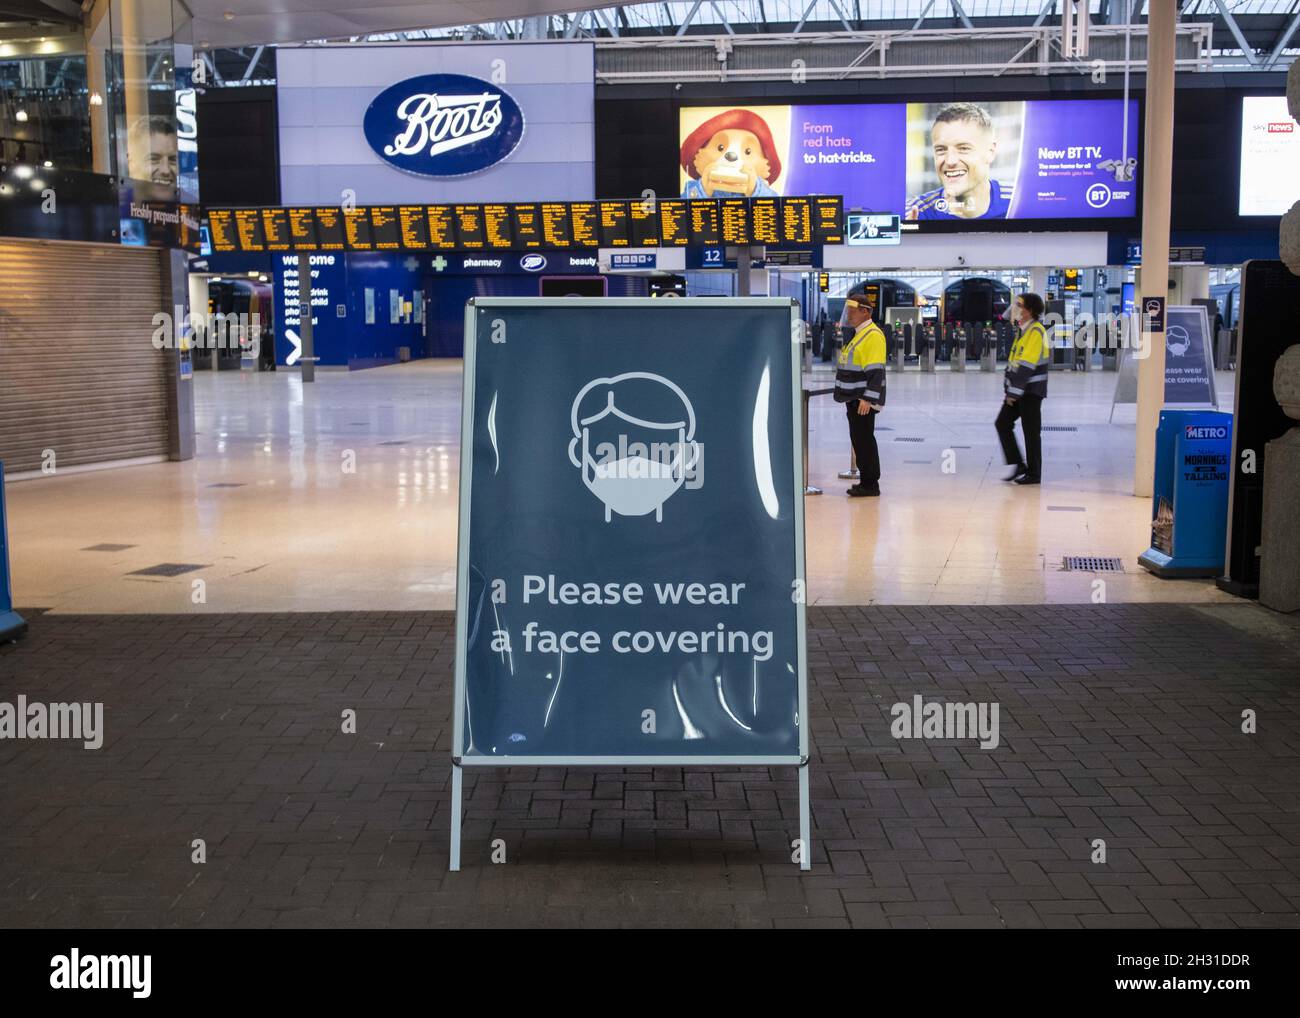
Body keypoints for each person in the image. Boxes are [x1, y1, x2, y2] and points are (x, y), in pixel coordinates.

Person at [905, 102, 1012, 221]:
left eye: (963, 148)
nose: (950, 161)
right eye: (941, 150)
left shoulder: (1019, 201)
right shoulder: (915, 213)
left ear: (990, 152)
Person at [834, 284, 887, 497]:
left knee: (864, 440)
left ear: (866, 311)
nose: (850, 316)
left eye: (854, 312)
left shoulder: (872, 335)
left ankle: (870, 484)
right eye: (849, 312)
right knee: (859, 439)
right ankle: (867, 480)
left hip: (862, 399)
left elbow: (876, 371)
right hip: (853, 397)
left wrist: (868, 398)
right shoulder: (858, 334)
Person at [996, 292, 1049, 485]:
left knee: (1031, 431)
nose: (1016, 308)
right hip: (1019, 391)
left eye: (1020, 305)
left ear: (1031, 311)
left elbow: (1027, 366)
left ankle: (1034, 474)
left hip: (1030, 392)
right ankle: (1018, 463)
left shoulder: (1036, 332)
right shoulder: (1023, 331)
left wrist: (1013, 394)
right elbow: (1015, 363)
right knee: (1002, 424)